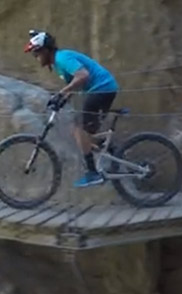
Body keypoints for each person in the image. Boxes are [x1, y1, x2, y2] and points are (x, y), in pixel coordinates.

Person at [24, 29, 119, 187]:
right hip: (101, 90)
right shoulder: (58, 63)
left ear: (45, 50)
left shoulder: (62, 58)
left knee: (79, 130)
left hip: (101, 89)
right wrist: (61, 100)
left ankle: (93, 173)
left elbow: (83, 75)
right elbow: (75, 85)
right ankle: (110, 149)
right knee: (79, 132)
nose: (36, 57)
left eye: (36, 53)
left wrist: (61, 93)